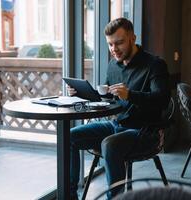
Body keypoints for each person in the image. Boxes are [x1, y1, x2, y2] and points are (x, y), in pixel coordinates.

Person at [68, 18, 170, 199]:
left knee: (109, 144)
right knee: (70, 137)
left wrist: (130, 95)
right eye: (110, 44)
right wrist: (83, 94)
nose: (114, 49)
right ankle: (69, 195)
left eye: (119, 43)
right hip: (116, 125)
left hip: (146, 132)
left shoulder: (155, 65)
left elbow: (162, 100)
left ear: (133, 38)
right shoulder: (113, 65)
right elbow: (107, 97)